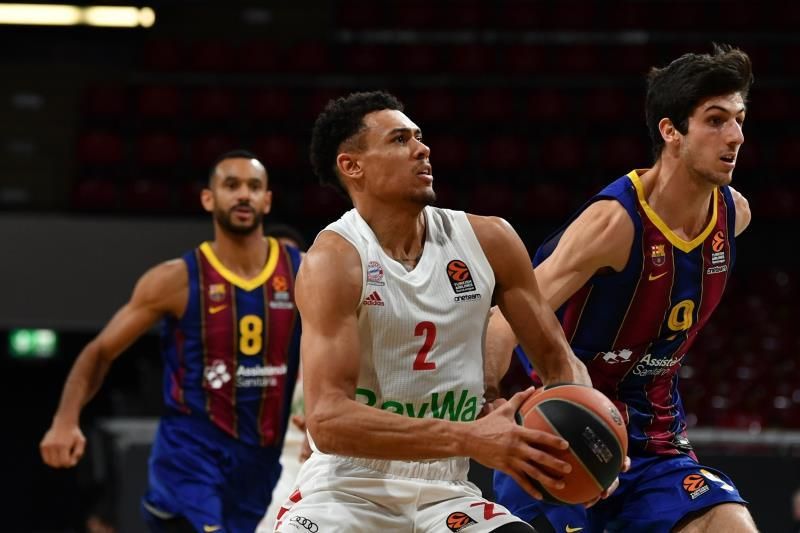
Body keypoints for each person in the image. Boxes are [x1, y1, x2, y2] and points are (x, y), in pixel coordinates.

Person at [272, 90, 591, 533]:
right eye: (399, 140)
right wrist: (468, 437)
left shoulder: (490, 240)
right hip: (348, 489)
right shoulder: (335, 260)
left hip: (446, 489)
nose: (422, 149)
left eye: (419, 137)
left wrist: (588, 437)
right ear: (352, 166)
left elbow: (559, 364)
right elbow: (327, 422)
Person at [488, 44, 759, 532]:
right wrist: (489, 408)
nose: (736, 136)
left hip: (655, 438)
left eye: (739, 120)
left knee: (729, 522)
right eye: (716, 120)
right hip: (565, 430)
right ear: (671, 131)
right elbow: (504, 321)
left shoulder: (733, 214)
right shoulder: (614, 224)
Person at [40, 149, 303, 533]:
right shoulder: (176, 278)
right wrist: (65, 420)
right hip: (191, 453)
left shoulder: (301, 272)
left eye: (253, 186)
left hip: (259, 459)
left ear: (267, 200)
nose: (243, 195)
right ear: (208, 198)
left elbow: (345, 343)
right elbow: (100, 351)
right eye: (231, 185)